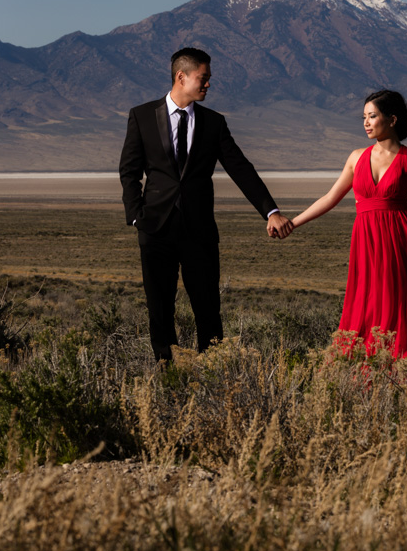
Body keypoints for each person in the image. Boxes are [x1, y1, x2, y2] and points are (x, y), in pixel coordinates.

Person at [119, 47, 293, 364]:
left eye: (209, 78)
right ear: (181, 77)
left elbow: (240, 168)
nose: (208, 84)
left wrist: (271, 211)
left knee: (208, 306)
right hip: (155, 229)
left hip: (199, 231)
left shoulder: (213, 123)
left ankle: (213, 371)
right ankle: (167, 371)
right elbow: (129, 172)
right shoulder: (142, 116)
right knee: (159, 306)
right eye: (204, 78)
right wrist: (136, 217)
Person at [290, 89, 407, 379]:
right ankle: (361, 373)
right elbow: (330, 198)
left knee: (397, 307)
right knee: (367, 307)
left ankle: (403, 372)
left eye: (372, 116)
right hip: (367, 244)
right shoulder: (357, 157)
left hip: (403, 243)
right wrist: (293, 223)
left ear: (392, 120)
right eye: (364, 117)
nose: (366, 123)